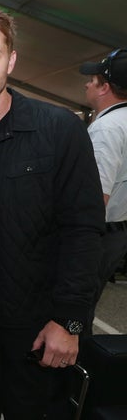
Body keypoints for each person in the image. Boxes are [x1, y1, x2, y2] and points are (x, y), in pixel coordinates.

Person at [0, 10, 105, 419]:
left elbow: (83, 230)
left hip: (32, 319)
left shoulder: (58, 130)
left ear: (11, 61)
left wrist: (69, 321)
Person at [80, 49, 127, 292]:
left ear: (104, 87)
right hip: (117, 232)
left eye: (92, 80)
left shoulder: (107, 128)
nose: (87, 84)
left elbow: (96, 196)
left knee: (75, 307)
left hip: (99, 234)